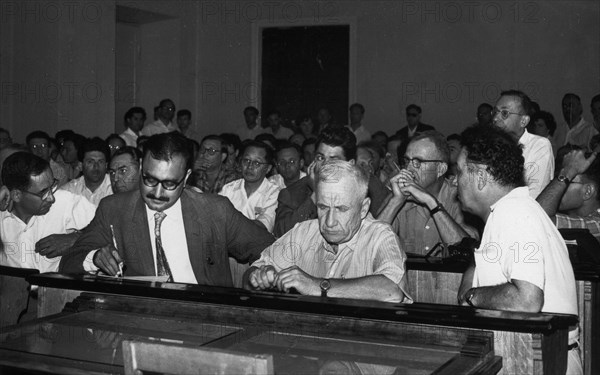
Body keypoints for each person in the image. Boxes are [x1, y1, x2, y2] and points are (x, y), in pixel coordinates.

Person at [59, 132, 275, 285]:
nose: (158, 193)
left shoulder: (215, 210)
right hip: (141, 320)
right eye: (150, 180)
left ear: (187, 177)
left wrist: (259, 271)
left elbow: (271, 247)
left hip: (202, 319)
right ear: (142, 168)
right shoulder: (114, 209)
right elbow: (69, 261)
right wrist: (95, 257)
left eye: (170, 184)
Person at [455, 125, 580, 374]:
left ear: (480, 177)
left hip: (543, 361)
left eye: (459, 171)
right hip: (540, 357)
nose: (455, 181)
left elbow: (527, 300)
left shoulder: (513, 214)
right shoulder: (512, 211)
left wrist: (473, 296)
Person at [244, 160, 409, 303]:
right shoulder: (303, 232)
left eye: (341, 209)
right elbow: (249, 276)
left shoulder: (380, 236)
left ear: (363, 208)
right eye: (323, 207)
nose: (329, 221)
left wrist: (318, 285)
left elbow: (392, 291)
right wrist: (259, 277)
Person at [273, 127, 389, 238]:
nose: (325, 166)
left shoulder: (369, 185)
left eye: (334, 160)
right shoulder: (292, 193)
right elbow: (282, 234)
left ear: (350, 164)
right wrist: (316, 194)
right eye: (320, 158)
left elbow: (384, 229)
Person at [377, 132, 477, 255]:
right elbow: (369, 247)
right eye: (407, 161)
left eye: (418, 162)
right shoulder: (399, 195)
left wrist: (430, 202)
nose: (409, 169)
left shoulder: (460, 198)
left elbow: (466, 252)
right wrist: (395, 201)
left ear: (441, 169)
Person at [0, 152, 95, 272]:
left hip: (56, 289)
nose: (51, 197)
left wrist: (75, 239)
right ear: (17, 195)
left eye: (52, 186)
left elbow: (110, 228)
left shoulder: (65, 202)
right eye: (43, 192)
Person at [492, 89, 554, 198]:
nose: (496, 118)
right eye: (495, 112)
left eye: (504, 113)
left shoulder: (539, 146)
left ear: (523, 121)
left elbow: (534, 197)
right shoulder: (491, 145)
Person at [537, 147, 600, 242]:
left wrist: (567, 172)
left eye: (566, 180)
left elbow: (536, 219)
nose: (558, 186)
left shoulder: (597, 224)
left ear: (587, 192)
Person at [60, 137, 113, 206]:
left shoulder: (115, 189)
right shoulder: (69, 191)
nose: (96, 166)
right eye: (90, 162)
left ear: (106, 165)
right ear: (80, 165)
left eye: (100, 162)